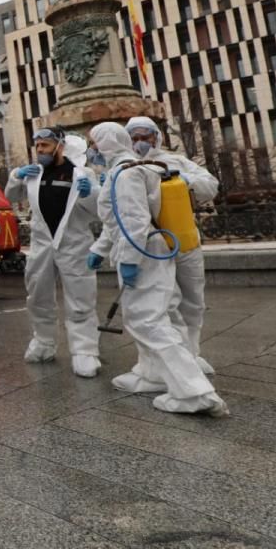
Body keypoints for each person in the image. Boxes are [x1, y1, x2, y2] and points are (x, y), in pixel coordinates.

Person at [86, 124, 227, 416]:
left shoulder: (124, 174)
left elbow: (133, 221)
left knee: (147, 320)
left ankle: (193, 392)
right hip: (154, 248)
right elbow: (122, 221)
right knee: (163, 315)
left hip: (143, 252)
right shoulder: (138, 167)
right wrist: (101, 249)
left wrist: (128, 260)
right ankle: (153, 375)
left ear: (105, 144)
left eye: (93, 144)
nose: (90, 151)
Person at [124, 116, 219, 374]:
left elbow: (211, 185)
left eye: (146, 137)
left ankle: (192, 352)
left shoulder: (177, 161)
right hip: (153, 247)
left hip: (185, 239)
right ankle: (168, 360)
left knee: (193, 299)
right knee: (163, 304)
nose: (141, 143)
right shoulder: (126, 166)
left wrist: (188, 181)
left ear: (157, 137)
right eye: (134, 138)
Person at [5, 126, 102, 377]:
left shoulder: (82, 173)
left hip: (74, 242)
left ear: (60, 145)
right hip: (41, 244)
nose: (40, 151)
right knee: (37, 295)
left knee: (80, 297)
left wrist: (89, 194)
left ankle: (84, 350)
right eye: (37, 146)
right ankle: (44, 342)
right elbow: (11, 195)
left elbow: (98, 211)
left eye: (45, 145)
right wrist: (16, 175)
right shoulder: (33, 173)